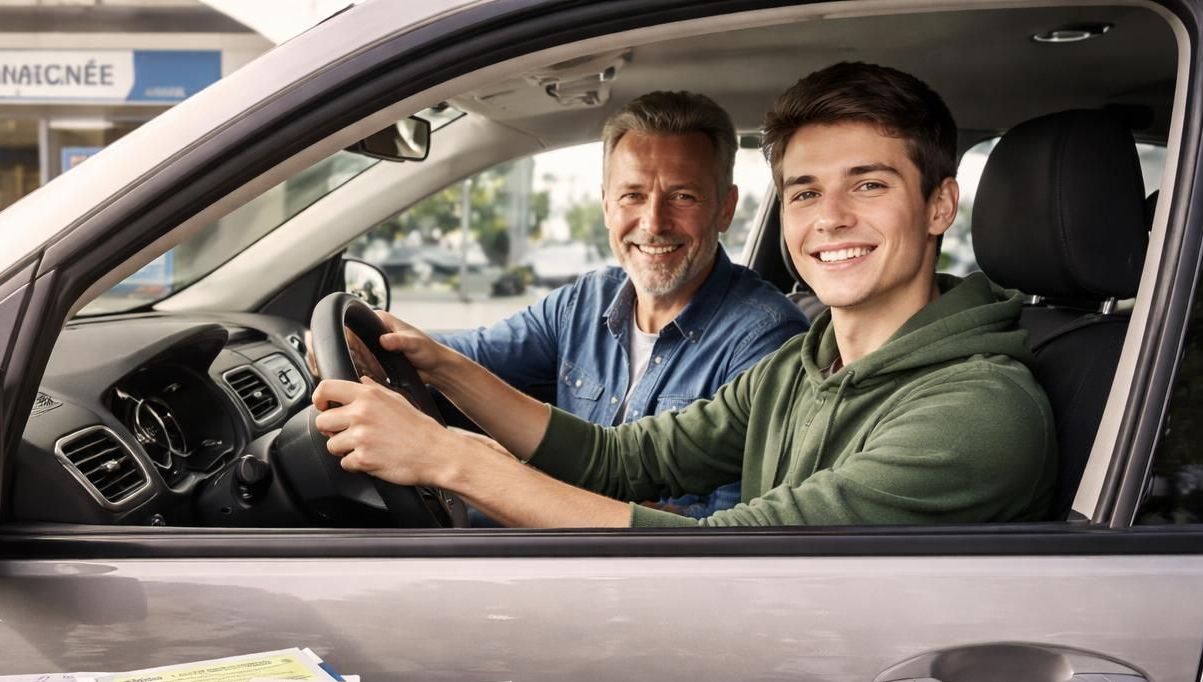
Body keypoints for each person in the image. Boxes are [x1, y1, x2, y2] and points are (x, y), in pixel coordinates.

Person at [312, 62, 1057, 529]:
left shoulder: (975, 412)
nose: (830, 218)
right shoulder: (806, 366)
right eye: (804, 192)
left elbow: (725, 554)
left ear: (938, 205)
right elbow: (617, 459)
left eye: (868, 184)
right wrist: (437, 366)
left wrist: (450, 461)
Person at [401, 91, 808, 515]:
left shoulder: (767, 340)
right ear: (606, 206)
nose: (653, 223)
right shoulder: (583, 303)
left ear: (725, 209)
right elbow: (463, 355)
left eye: (682, 196)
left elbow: (729, 532)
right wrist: (375, 340)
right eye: (632, 195)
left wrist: (471, 469)